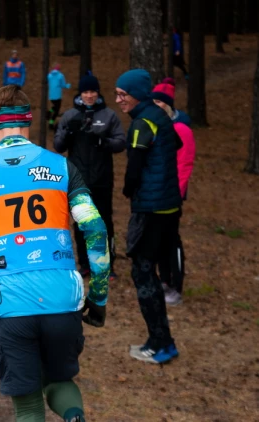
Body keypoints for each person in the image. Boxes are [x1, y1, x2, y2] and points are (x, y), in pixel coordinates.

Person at [0, 85, 110, 422]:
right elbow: (94, 228)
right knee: (60, 380)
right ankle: (75, 417)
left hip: (10, 305)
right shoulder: (62, 168)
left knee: (28, 405)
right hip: (63, 299)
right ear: (29, 121)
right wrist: (99, 295)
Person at [115, 69, 181, 364]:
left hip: (152, 209)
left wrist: (129, 190)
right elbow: (175, 146)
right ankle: (162, 340)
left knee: (142, 272)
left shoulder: (141, 124)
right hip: (169, 206)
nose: (118, 100)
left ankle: (160, 343)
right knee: (148, 270)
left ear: (137, 94)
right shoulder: (160, 116)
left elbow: (134, 168)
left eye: (122, 95)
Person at [54, 73, 125, 281]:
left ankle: (107, 265)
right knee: (81, 223)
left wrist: (103, 142)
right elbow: (58, 146)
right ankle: (85, 264)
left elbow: (121, 142)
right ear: (80, 93)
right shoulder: (69, 115)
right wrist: (69, 133)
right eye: (85, 91)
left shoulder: (109, 115)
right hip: (78, 181)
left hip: (102, 179)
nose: (89, 95)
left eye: (93, 91)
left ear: (98, 92)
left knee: (104, 223)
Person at [152, 83, 196, 306]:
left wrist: (175, 193)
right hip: (156, 193)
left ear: (168, 104)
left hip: (172, 194)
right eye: (154, 102)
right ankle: (164, 281)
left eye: (160, 101)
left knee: (172, 240)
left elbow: (185, 164)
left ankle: (176, 286)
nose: (157, 106)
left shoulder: (182, 129)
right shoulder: (157, 126)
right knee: (159, 239)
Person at [47, 64, 71, 130]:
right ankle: (51, 123)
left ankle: (49, 112)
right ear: (59, 69)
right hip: (57, 96)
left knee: (54, 107)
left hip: (51, 95)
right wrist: (68, 86)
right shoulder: (60, 76)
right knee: (56, 111)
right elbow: (63, 85)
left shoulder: (49, 75)